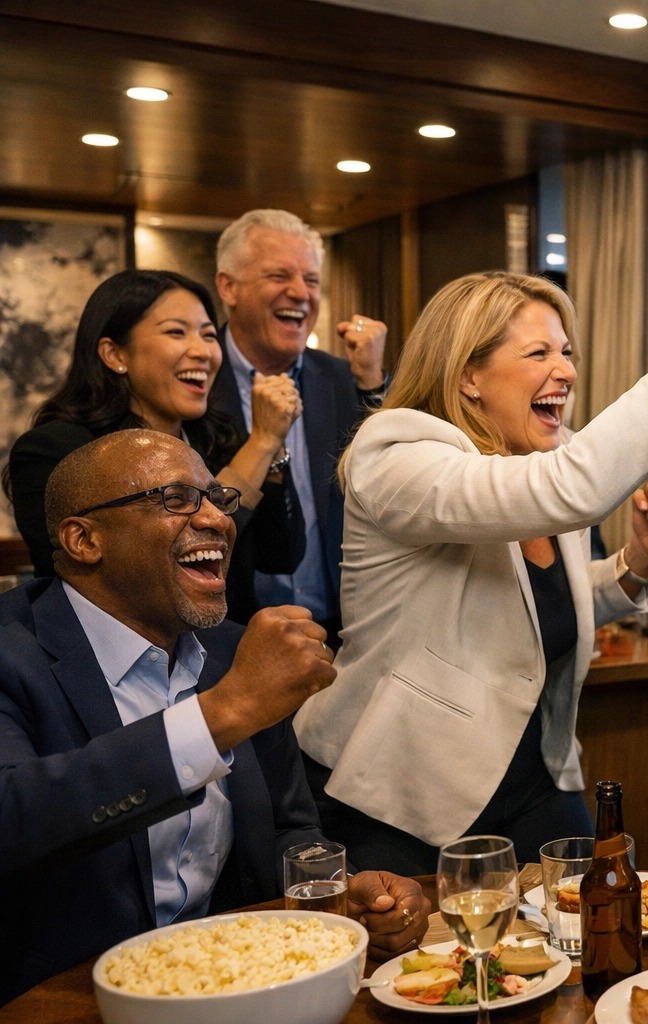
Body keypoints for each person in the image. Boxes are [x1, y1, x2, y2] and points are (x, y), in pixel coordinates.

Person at [293, 186, 648, 872]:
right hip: (406, 794)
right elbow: (575, 490)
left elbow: (529, 605)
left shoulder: (538, 460)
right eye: (539, 354)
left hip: (537, 776)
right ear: (469, 374)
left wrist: (635, 562)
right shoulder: (396, 453)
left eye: (567, 351)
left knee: (597, 940)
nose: (566, 370)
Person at [0, 431, 429, 1005]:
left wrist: (340, 894)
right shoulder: (11, 651)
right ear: (84, 539)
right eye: (176, 498)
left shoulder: (231, 651)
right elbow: (13, 818)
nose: (217, 521)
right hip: (59, 998)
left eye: (217, 499)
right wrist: (221, 715)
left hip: (238, 991)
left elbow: (286, 830)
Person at [5, 269, 304, 623]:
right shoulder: (55, 450)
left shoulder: (219, 442)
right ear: (115, 354)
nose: (203, 352)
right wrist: (262, 443)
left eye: (209, 335)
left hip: (224, 652)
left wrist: (271, 453)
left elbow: (280, 556)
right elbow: (116, 578)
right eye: (176, 332)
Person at [209, 209, 391, 643]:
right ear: (228, 287)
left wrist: (373, 383)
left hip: (344, 637)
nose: (300, 293)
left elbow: (393, 484)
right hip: (228, 640)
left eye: (311, 280)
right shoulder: (194, 381)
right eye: (279, 276)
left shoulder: (345, 380)